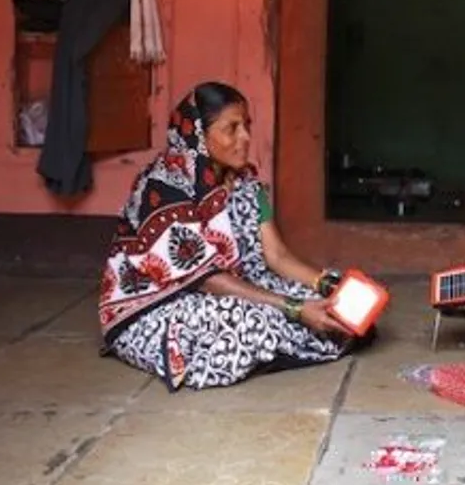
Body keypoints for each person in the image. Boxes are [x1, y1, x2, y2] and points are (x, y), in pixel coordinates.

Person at [98, 82, 367, 390]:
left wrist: (331, 284)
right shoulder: (163, 187)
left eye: (247, 126)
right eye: (232, 128)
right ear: (199, 134)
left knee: (338, 303)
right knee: (244, 319)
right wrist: (293, 308)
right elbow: (206, 278)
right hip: (162, 303)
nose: (245, 138)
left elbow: (276, 256)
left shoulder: (245, 184)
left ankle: (275, 345)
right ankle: (275, 342)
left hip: (236, 284)